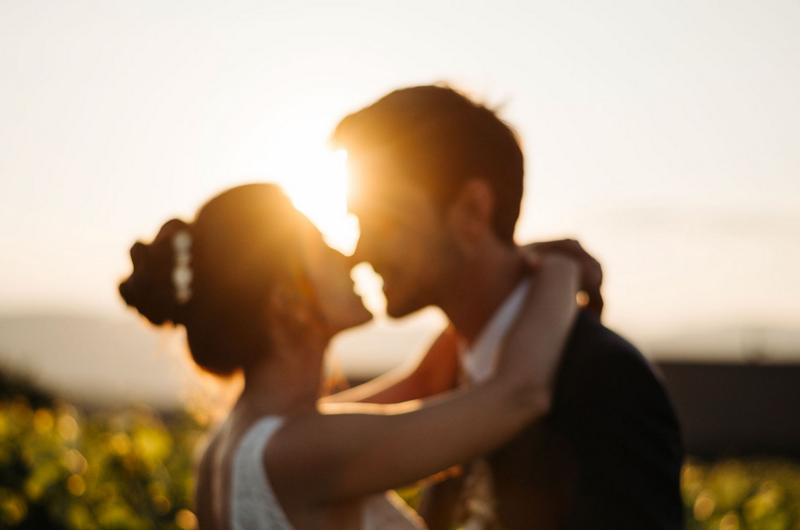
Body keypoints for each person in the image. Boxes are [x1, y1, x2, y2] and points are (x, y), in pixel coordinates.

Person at [119, 183, 582, 530]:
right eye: (321, 247)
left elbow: (424, 384)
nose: (351, 257)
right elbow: (519, 395)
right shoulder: (299, 452)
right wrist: (562, 270)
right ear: (286, 302)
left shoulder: (231, 447)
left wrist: (497, 271)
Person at [329, 85, 685, 529]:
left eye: (383, 221)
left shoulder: (607, 378)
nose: (359, 252)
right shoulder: (451, 371)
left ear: (473, 210)